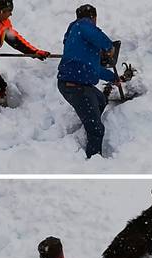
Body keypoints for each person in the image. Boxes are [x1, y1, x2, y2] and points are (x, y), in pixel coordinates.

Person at [57, 4, 120, 159]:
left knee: (100, 100)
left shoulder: (81, 42)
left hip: (77, 84)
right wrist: (109, 47)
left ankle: (89, 122)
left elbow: (95, 69)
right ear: (93, 18)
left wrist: (113, 78)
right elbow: (100, 38)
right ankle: (93, 162)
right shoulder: (82, 26)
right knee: (97, 130)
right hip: (75, 87)